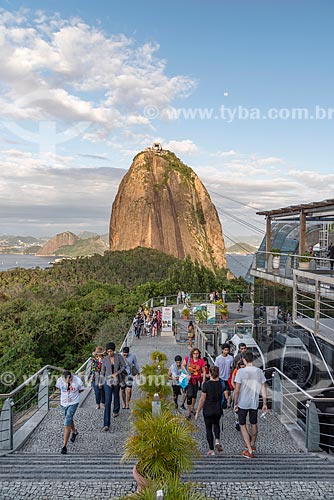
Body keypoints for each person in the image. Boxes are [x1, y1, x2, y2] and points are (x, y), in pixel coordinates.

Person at [233, 351, 267, 459]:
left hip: (243, 402)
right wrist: (265, 403)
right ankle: (252, 443)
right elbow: (263, 388)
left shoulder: (240, 372)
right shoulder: (259, 371)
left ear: (244, 359)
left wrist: (235, 403)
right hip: (254, 401)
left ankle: (249, 450)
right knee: (254, 423)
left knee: (242, 425)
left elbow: (237, 390)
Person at [195, 366, 223, 456]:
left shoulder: (206, 385)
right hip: (218, 408)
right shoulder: (221, 384)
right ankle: (217, 440)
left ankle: (211, 450)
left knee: (208, 429)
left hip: (208, 409)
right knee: (216, 424)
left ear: (210, 373)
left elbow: (202, 399)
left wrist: (197, 412)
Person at [55, 369, 84, 455]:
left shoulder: (77, 381)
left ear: (71, 377)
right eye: (65, 380)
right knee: (69, 418)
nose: (67, 382)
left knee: (67, 421)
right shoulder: (60, 380)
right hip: (63, 403)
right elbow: (58, 389)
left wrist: (74, 394)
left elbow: (81, 389)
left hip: (73, 402)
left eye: (69, 380)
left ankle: (64, 446)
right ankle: (74, 432)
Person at [99, 342, 126, 431]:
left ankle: (116, 410)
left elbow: (123, 366)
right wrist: (100, 381)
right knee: (107, 401)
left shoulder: (119, 357)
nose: (109, 353)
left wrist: (117, 372)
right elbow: (102, 371)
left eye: (110, 351)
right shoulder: (105, 359)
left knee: (116, 395)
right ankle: (106, 424)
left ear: (113, 350)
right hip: (108, 381)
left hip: (117, 380)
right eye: (108, 351)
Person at [181, 348, 206, 419]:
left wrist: (203, 380)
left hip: (196, 380)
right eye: (194, 353)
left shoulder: (201, 361)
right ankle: (188, 411)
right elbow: (183, 365)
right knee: (189, 395)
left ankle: (192, 407)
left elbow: (204, 371)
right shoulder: (188, 359)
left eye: (197, 353)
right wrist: (187, 373)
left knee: (194, 395)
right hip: (189, 380)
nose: (196, 355)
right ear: (192, 354)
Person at [214, 343, 234, 409]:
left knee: (227, 390)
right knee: (223, 390)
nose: (226, 351)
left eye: (227, 350)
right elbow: (216, 368)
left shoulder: (231, 358)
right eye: (225, 350)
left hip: (228, 377)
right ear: (222, 350)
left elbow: (231, 367)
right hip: (220, 377)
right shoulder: (218, 358)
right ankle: (223, 403)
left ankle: (225, 402)